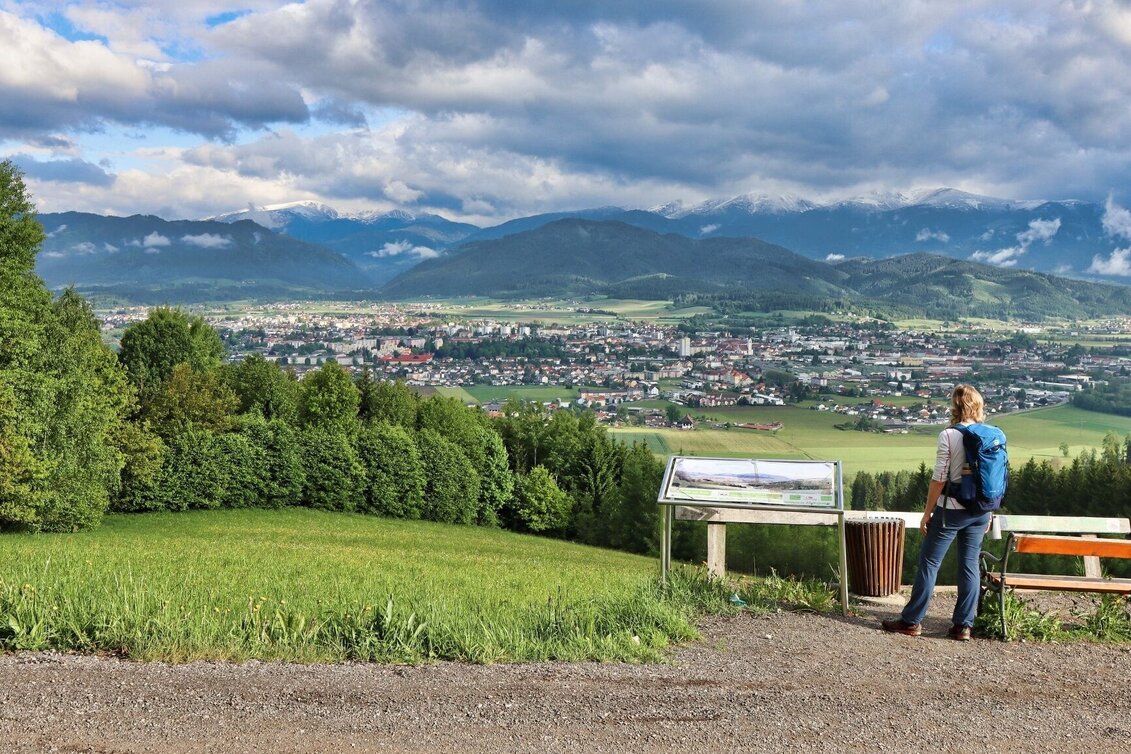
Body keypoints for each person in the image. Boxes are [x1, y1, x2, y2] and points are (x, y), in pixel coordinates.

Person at [881, 384, 997, 641]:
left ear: (955, 406)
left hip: (951, 511)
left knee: (929, 563)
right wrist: (989, 512)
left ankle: (911, 621)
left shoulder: (949, 435)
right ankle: (963, 626)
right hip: (980, 512)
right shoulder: (993, 434)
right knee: (969, 566)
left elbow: (938, 479)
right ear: (977, 405)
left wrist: (926, 513)